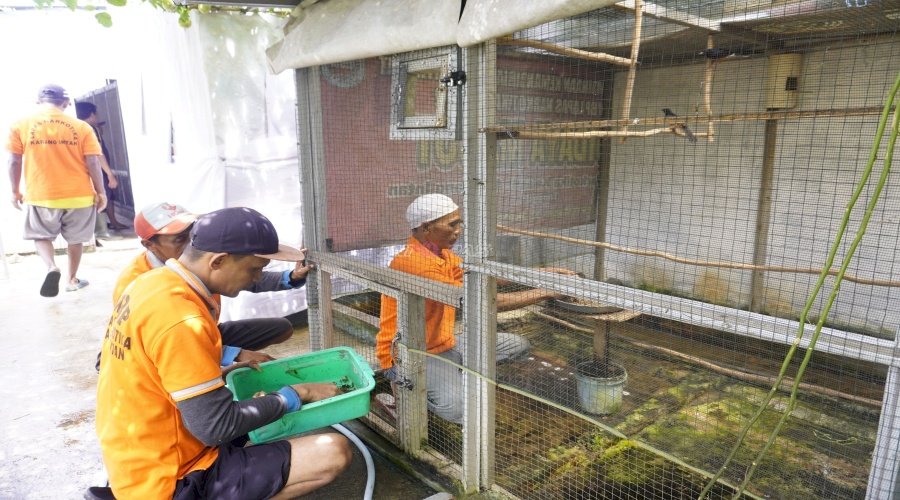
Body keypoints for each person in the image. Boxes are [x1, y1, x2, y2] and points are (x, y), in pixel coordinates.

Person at [96, 206, 351, 499]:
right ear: (218, 261)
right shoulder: (181, 318)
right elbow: (215, 427)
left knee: (250, 411)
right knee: (333, 451)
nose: (257, 278)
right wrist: (298, 392)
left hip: (136, 453)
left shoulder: (153, 283)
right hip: (167, 477)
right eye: (254, 270)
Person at [375, 193, 575, 423]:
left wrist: (543, 273)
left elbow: (481, 279)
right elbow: (481, 300)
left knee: (518, 346)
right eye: (452, 224)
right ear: (426, 228)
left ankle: (450, 375)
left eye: (459, 223)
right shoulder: (414, 264)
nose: (458, 230)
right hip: (412, 352)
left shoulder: (441, 255)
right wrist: (547, 291)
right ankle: (403, 393)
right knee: (458, 410)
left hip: (446, 342)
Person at [112, 201, 313, 371]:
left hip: (202, 330)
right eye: (179, 239)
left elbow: (244, 278)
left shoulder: (193, 265)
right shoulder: (138, 282)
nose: (190, 244)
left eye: (192, 234)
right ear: (149, 245)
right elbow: (172, 340)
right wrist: (233, 354)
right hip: (171, 343)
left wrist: (291, 277)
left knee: (280, 328)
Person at [6, 83, 106, 297]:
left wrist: (15, 190)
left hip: (42, 194)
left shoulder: (20, 125)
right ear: (66, 103)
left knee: (41, 236)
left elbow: (13, 161)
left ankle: (51, 266)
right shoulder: (82, 127)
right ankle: (71, 279)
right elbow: (93, 162)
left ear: (38, 101)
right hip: (79, 195)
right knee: (76, 240)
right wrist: (101, 192)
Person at [74, 101, 126, 231]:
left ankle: (101, 228)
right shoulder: (89, 129)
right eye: (95, 114)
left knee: (98, 197)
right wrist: (110, 174)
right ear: (91, 114)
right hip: (98, 169)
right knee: (104, 196)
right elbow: (98, 154)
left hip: (85, 170)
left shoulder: (76, 127)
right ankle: (104, 228)